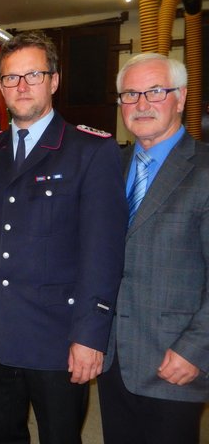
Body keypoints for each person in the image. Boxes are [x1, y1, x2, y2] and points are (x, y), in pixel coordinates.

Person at [0, 31, 127, 444]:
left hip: (57, 337)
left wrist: (91, 335)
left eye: (33, 75)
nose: (21, 87)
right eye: (10, 78)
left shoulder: (90, 151)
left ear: (54, 81)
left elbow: (103, 252)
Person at [97, 53, 209, 444]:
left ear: (180, 98)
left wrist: (196, 349)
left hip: (175, 360)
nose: (141, 104)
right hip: (112, 357)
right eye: (130, 94)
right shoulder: (110, 166)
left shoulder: (205, 170)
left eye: (155, 91)